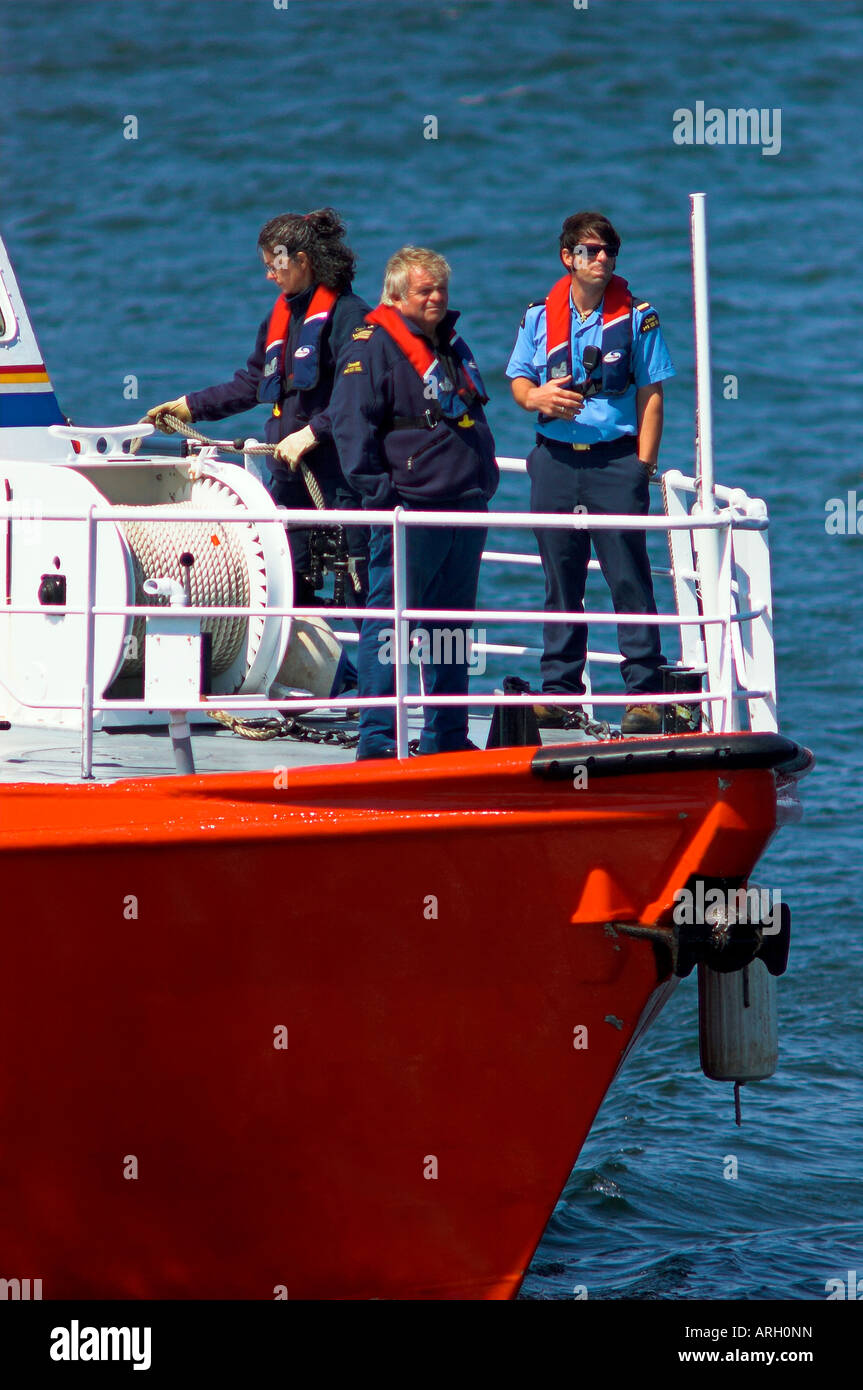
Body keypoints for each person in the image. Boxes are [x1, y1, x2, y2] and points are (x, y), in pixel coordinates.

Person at [143, 208, 370, 612]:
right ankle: (323, 676)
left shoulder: (350, 316)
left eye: (275, 266)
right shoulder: (278, 319)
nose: (269, 276)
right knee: (289, 594)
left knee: (361, 590)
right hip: (289, 481)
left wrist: (312, 432)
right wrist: (189, 407)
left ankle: (384, 677)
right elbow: (252, 383)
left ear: (303, 261)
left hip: (340, 482)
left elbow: (359, 393)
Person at [507, 210, 675, 735]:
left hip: (614, 463)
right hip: (555, 462)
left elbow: (652, 395)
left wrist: (641, 467)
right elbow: (518, 382)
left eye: (608, 251)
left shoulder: (640, 318)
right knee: (560, 579)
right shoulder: (538, 317)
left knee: (629, 578)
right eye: (590, 250)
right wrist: (536, 396)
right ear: (568, 257)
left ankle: (644, 694)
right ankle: (560, 692)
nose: (601, 259)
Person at [329, 247, 498, 759]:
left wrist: (483, 480)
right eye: (426, 290)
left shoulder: (447, 343)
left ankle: (446, 736)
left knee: (451, 626)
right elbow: (349, 426)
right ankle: (377, 740)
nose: (437, 298)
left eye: (441, 289)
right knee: (390, 627)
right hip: (409, 511)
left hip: (463, 507)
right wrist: (384, 500)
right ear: (398, 295)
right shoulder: (373, 347)